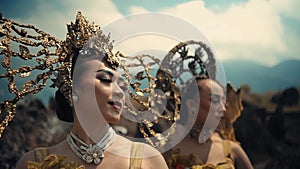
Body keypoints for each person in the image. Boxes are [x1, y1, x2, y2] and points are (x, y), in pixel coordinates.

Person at [7, 12, 169, 169]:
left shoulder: (147, 160)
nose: (120, 92)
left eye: (122, 85)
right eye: (105, 79)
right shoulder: (36, 163)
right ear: (72, 87)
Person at [164, 77, 254, 169]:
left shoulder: (232, 150)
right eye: (215, 101)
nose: (223, 109)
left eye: (223, 102)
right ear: (192, 104)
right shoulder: (169, 148)